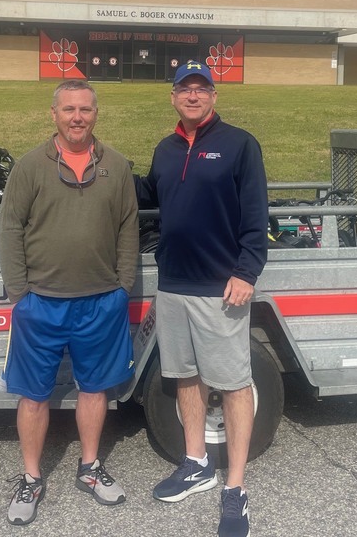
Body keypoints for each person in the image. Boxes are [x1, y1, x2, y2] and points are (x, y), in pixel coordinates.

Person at [135, 60, 269, 537]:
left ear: (214, 96)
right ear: (172, 97)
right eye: (184, 89)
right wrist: (102, 167)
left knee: (233, 384)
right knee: (184, 376)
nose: (193, 96)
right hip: (173, 283)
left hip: (220, 287)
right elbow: (149, 193)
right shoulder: (166, 149)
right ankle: (196, 464)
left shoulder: (239, 145)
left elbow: (256, 215)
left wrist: (247, 270)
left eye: (201, 88)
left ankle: (235, 487)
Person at [0, 78, 139, 526]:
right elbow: (11, 229)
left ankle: (90, 467)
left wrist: (123, 286)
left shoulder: (116, 165)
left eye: (86, 109)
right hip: (41, 301)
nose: (77, 117)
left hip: (101, 301)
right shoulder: (29, 166)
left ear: (96, 114)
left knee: (94, 389)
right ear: (54, 114)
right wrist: (19, 293)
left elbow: (128, 230)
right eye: (68, 109)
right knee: (33, 395)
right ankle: (32, 477)